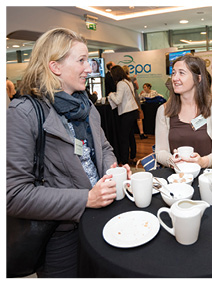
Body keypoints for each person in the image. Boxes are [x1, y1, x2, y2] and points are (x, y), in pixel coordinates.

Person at [6, 28, 132, 278]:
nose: (90, 68)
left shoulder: (86, 106)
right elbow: (13, 195)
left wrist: (112, 170)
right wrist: (86, 199)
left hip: (100, 219)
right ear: (55, 67)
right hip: (60, 237)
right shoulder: (23, 113)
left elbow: (104, 148)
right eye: (82, 60)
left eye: (90, 60)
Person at [155, 54, 212, 168]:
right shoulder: (164, 110)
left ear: (198, 78)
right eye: (174, 73)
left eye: (181, 73)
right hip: (176, 178)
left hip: (209, 178)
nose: (175, 78)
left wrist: (203, 162)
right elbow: (160, 151)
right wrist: (171, 161)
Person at [108, 65, 139, 165]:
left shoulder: (120, 84)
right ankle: (133, 156)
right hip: (133, 110)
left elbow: (117, 100)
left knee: (124, 138)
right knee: (131, 136)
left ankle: (124, 160)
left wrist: (111, 94)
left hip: (126, 112)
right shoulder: (128, 81)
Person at [122, 65, 148, 140]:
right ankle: (141, 133)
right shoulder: (133, 78)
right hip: (135, 98)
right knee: (139, 116)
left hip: (127, 99)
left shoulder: (122, 80)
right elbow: (137, 87)